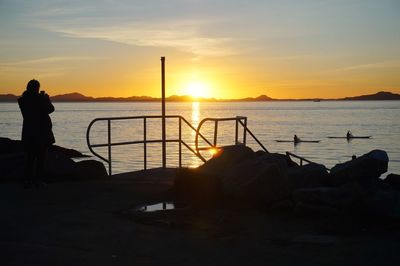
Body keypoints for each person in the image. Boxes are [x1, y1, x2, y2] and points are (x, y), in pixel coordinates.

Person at [18, 79, 55, 188]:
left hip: (29, 132)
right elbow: (50, 109)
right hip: (40, 133)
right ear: (36, 88)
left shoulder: (23, 100)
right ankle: (38, 180)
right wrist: (47, 99)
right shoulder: (39, 99)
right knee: (40, 158)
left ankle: (27, 180)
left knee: (30, 158)